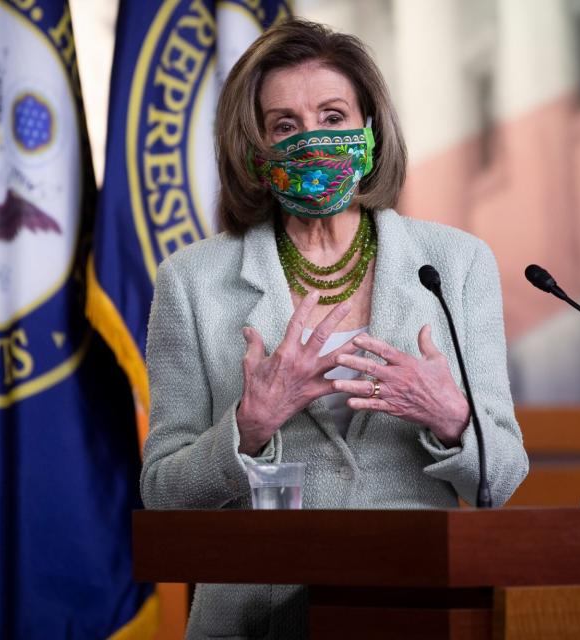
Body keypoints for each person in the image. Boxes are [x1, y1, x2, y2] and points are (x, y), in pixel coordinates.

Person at [140, 18, 528, 640]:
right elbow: (162, 494)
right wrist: (248, 426)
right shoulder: (192, 280)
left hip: (419, 608)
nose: (313, 140)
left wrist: (451, 417)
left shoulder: (454, 265)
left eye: (333, 116)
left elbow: (503, 477)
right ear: (256, 152)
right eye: (286, 126)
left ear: (369, 132)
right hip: (255, 622)